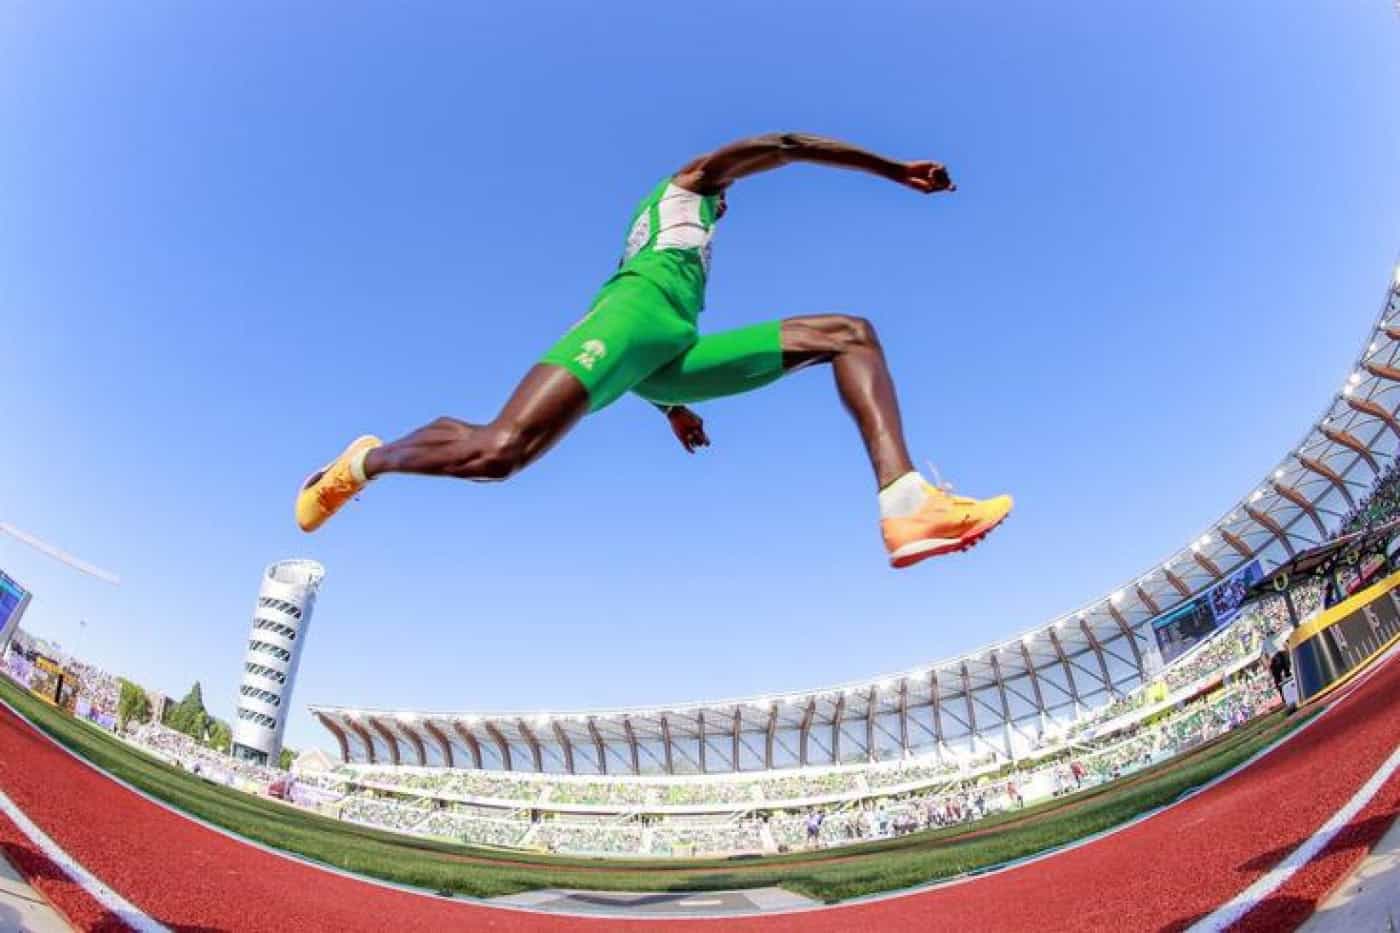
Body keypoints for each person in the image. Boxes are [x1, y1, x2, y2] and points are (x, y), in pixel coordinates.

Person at [295, 133, 1012, 569]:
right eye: (726, 194)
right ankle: (362, 463)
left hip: (670, 350)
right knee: (499, 452)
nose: (727, 203)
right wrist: (892, 170)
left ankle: (907, 501)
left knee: (850, 333)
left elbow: (649, 349)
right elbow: (790, 144)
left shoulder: (692, 239)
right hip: (632, 316)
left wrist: (672, 405)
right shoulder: (689, 181)